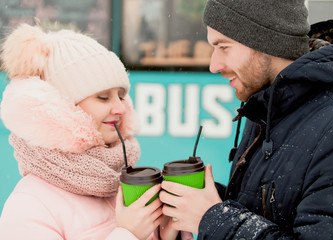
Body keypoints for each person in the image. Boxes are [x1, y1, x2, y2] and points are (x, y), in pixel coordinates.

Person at [159, 0, 333, 239]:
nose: (214, 65)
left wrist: (211, 217)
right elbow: (268, 210)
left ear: (266, 42)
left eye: (224, 47)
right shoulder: (267, 107)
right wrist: (199, 201)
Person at [0, 23, 191, 240]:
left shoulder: (120, 180)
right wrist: (128, 235)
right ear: (61, 108)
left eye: (121, 95)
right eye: (103, 97)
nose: (121, 108)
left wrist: (167, 235)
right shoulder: (30, 205)